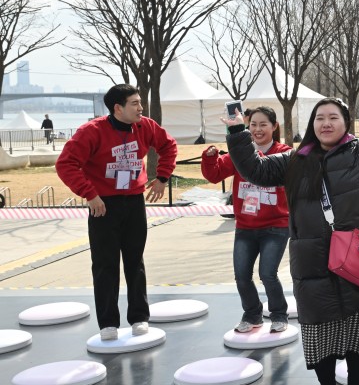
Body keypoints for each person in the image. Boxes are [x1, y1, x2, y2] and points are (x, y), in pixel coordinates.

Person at [225, 97, 359, 385]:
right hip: (310, 262)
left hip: (354, 258)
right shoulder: (294, 161)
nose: (326, 123)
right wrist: (238, 132)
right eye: (320, 118)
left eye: (333, 117)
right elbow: (254, 169)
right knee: (317, 332)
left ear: (346, 122)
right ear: (312, 125)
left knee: (356, 330)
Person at [55, 84, 177, 340]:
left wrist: (162, 177)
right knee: (105, 264)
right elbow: (66, 164)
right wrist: (89, 193)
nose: (140, 108)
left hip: (134, 201)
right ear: (117, 108)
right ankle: (108, 323)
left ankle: (139, 318)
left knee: (135, 261)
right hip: (103, 205)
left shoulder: (146, 126)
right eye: (134, 103)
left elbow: (168, 146)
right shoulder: (92, 131)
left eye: (140, 102)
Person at [202, 106, 292, 334]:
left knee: (267, 274)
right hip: (245, 227)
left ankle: (279, 314)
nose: (258, 129)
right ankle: (252, 314)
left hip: (276, 226)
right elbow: (214, 175)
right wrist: (210, 158)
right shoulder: (240, 152)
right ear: (246, 127)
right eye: (253, 125)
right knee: (242, 276)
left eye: (263, 124)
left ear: (274, 127)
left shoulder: (285, 152)